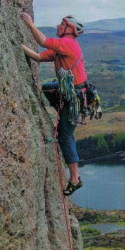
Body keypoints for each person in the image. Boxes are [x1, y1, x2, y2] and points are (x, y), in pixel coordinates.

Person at [20, 12, 87, 196]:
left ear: (69, 29)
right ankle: (61, 111)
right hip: (71, 94)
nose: (58, 26)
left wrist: (30, 25)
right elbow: (39, 57)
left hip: (75, 98)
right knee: (48, 86)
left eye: (62, 24)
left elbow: (42, 41)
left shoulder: (68, 44)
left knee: (65, 137)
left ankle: (75, 179)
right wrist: (18, 46)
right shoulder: (61, 48)